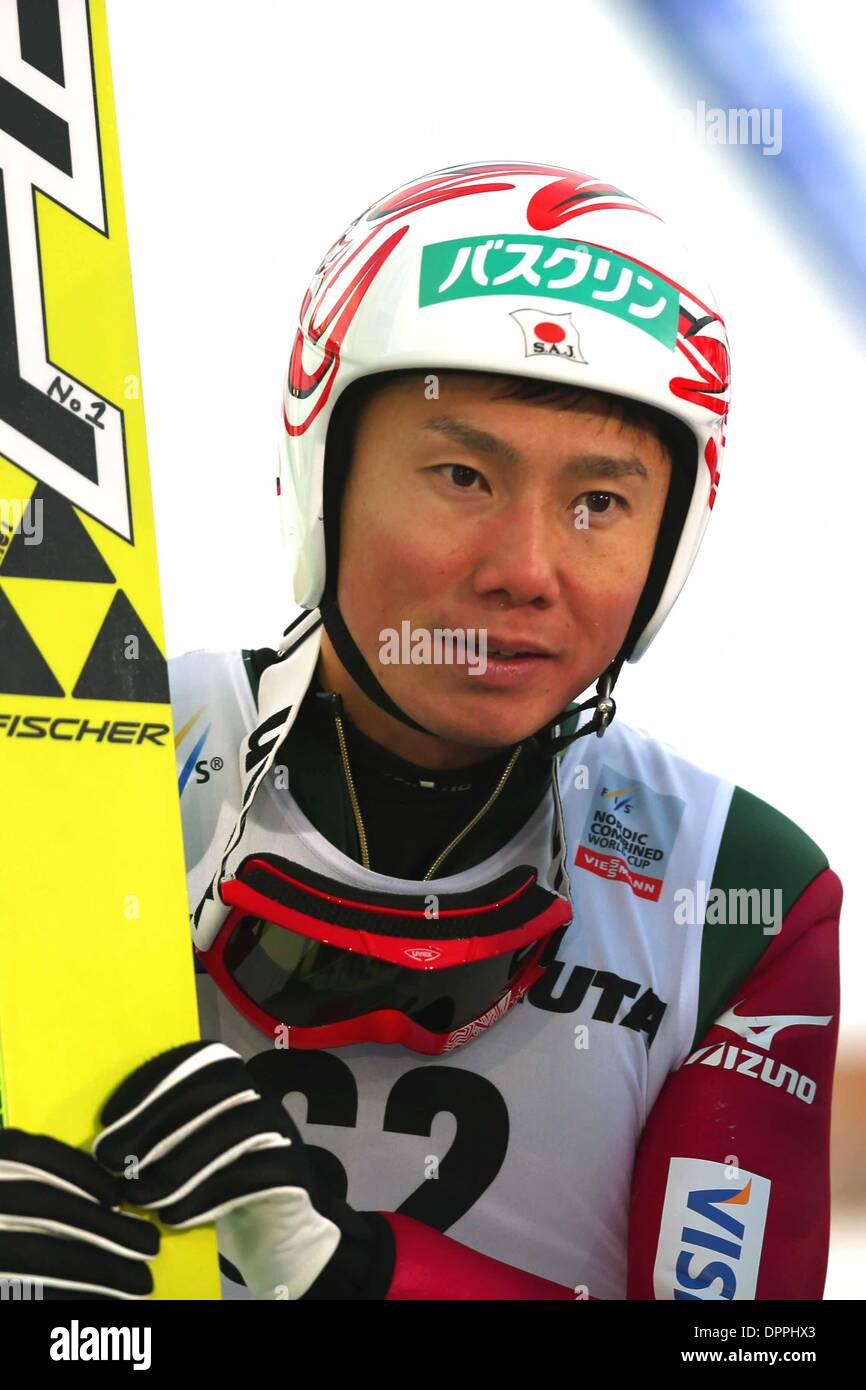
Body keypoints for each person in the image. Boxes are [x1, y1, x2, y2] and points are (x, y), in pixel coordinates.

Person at [1, 162, 841, 1301]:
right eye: (461, 474)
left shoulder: (738, 891)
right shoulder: (77, 768)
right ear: (325, 472)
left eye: (599, 502)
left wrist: (341, 1268)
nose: (525, 572)